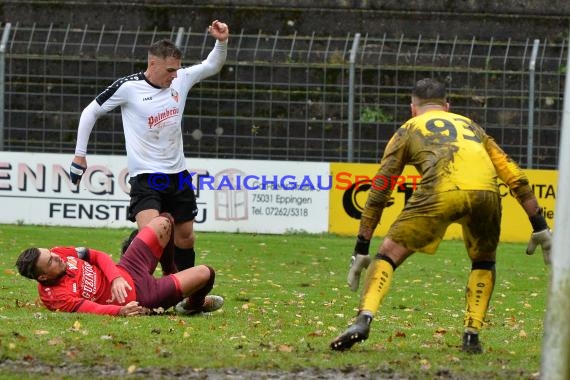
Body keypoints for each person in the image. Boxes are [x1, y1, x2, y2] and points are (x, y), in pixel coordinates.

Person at [330, 78, 552, 354]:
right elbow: (513, 175)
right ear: (447, 107)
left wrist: (361, 245)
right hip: (487, 193)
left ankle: (364, 319)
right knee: (484, 260)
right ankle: (472, 335)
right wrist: (540, 226)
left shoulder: (409, 128)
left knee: (387, 254)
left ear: (413, 108)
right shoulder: (471, 126)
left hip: (441, 188)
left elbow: (379, 189)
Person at [69, 20, 230, 273]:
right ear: (152, 64)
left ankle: (183, 291)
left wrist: (221, 42)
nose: (174, 75)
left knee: (185, 237)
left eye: (177, 69)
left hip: (177, 174)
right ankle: (131, 284)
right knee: (152, 237)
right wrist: (80, 156)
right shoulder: (129, 87)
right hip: (146, 175)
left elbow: (212, 65)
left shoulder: (180, 80)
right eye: (169, 70)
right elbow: (91, 112)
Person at [15, 213, 223, 316]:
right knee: (207, 273)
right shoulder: (56, 298)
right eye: (50, 260)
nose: (56, 256)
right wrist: (119, 311)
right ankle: (192, 306)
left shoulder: (59, 252)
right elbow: (90, 308)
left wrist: (115, 278)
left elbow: (97, 255)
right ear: (42, 277)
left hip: (128, 268)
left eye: (51, 253)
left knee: (165, 220)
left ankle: (171, 272)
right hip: (143, 296)